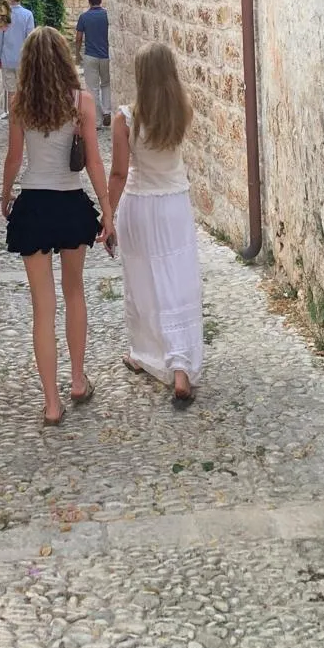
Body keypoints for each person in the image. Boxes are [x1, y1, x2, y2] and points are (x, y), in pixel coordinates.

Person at [1, 26, 115, 425]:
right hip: (69, 203)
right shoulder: (81, 102)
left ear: (29, 62)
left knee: (42, 308)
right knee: (75, 292)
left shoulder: (19, 103)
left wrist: (5, 194)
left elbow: (14, 157)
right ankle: (78, 380)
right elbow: (94, 161)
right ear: (65, 59)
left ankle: (51, 403)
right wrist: (107, 211)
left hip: (33, 205)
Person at [109, 42, 203, 408]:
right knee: (177, 282)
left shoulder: (126, 119)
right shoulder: (183, 111)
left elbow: (119, 173)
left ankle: (145, 354)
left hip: (140, 205)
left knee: (144, 283)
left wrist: (107, 214)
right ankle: (180, 368)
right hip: (174, 205)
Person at [75, 0, 112, 128]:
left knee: (92, 88)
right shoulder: (107, 15)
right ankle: (107, 111)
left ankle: (97, 120)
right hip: (106, 55)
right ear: (101, 0)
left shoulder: (84, 17)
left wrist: (77, 53)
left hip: (90, 55)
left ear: (89, 1)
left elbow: (79, 38)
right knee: (106, 84)